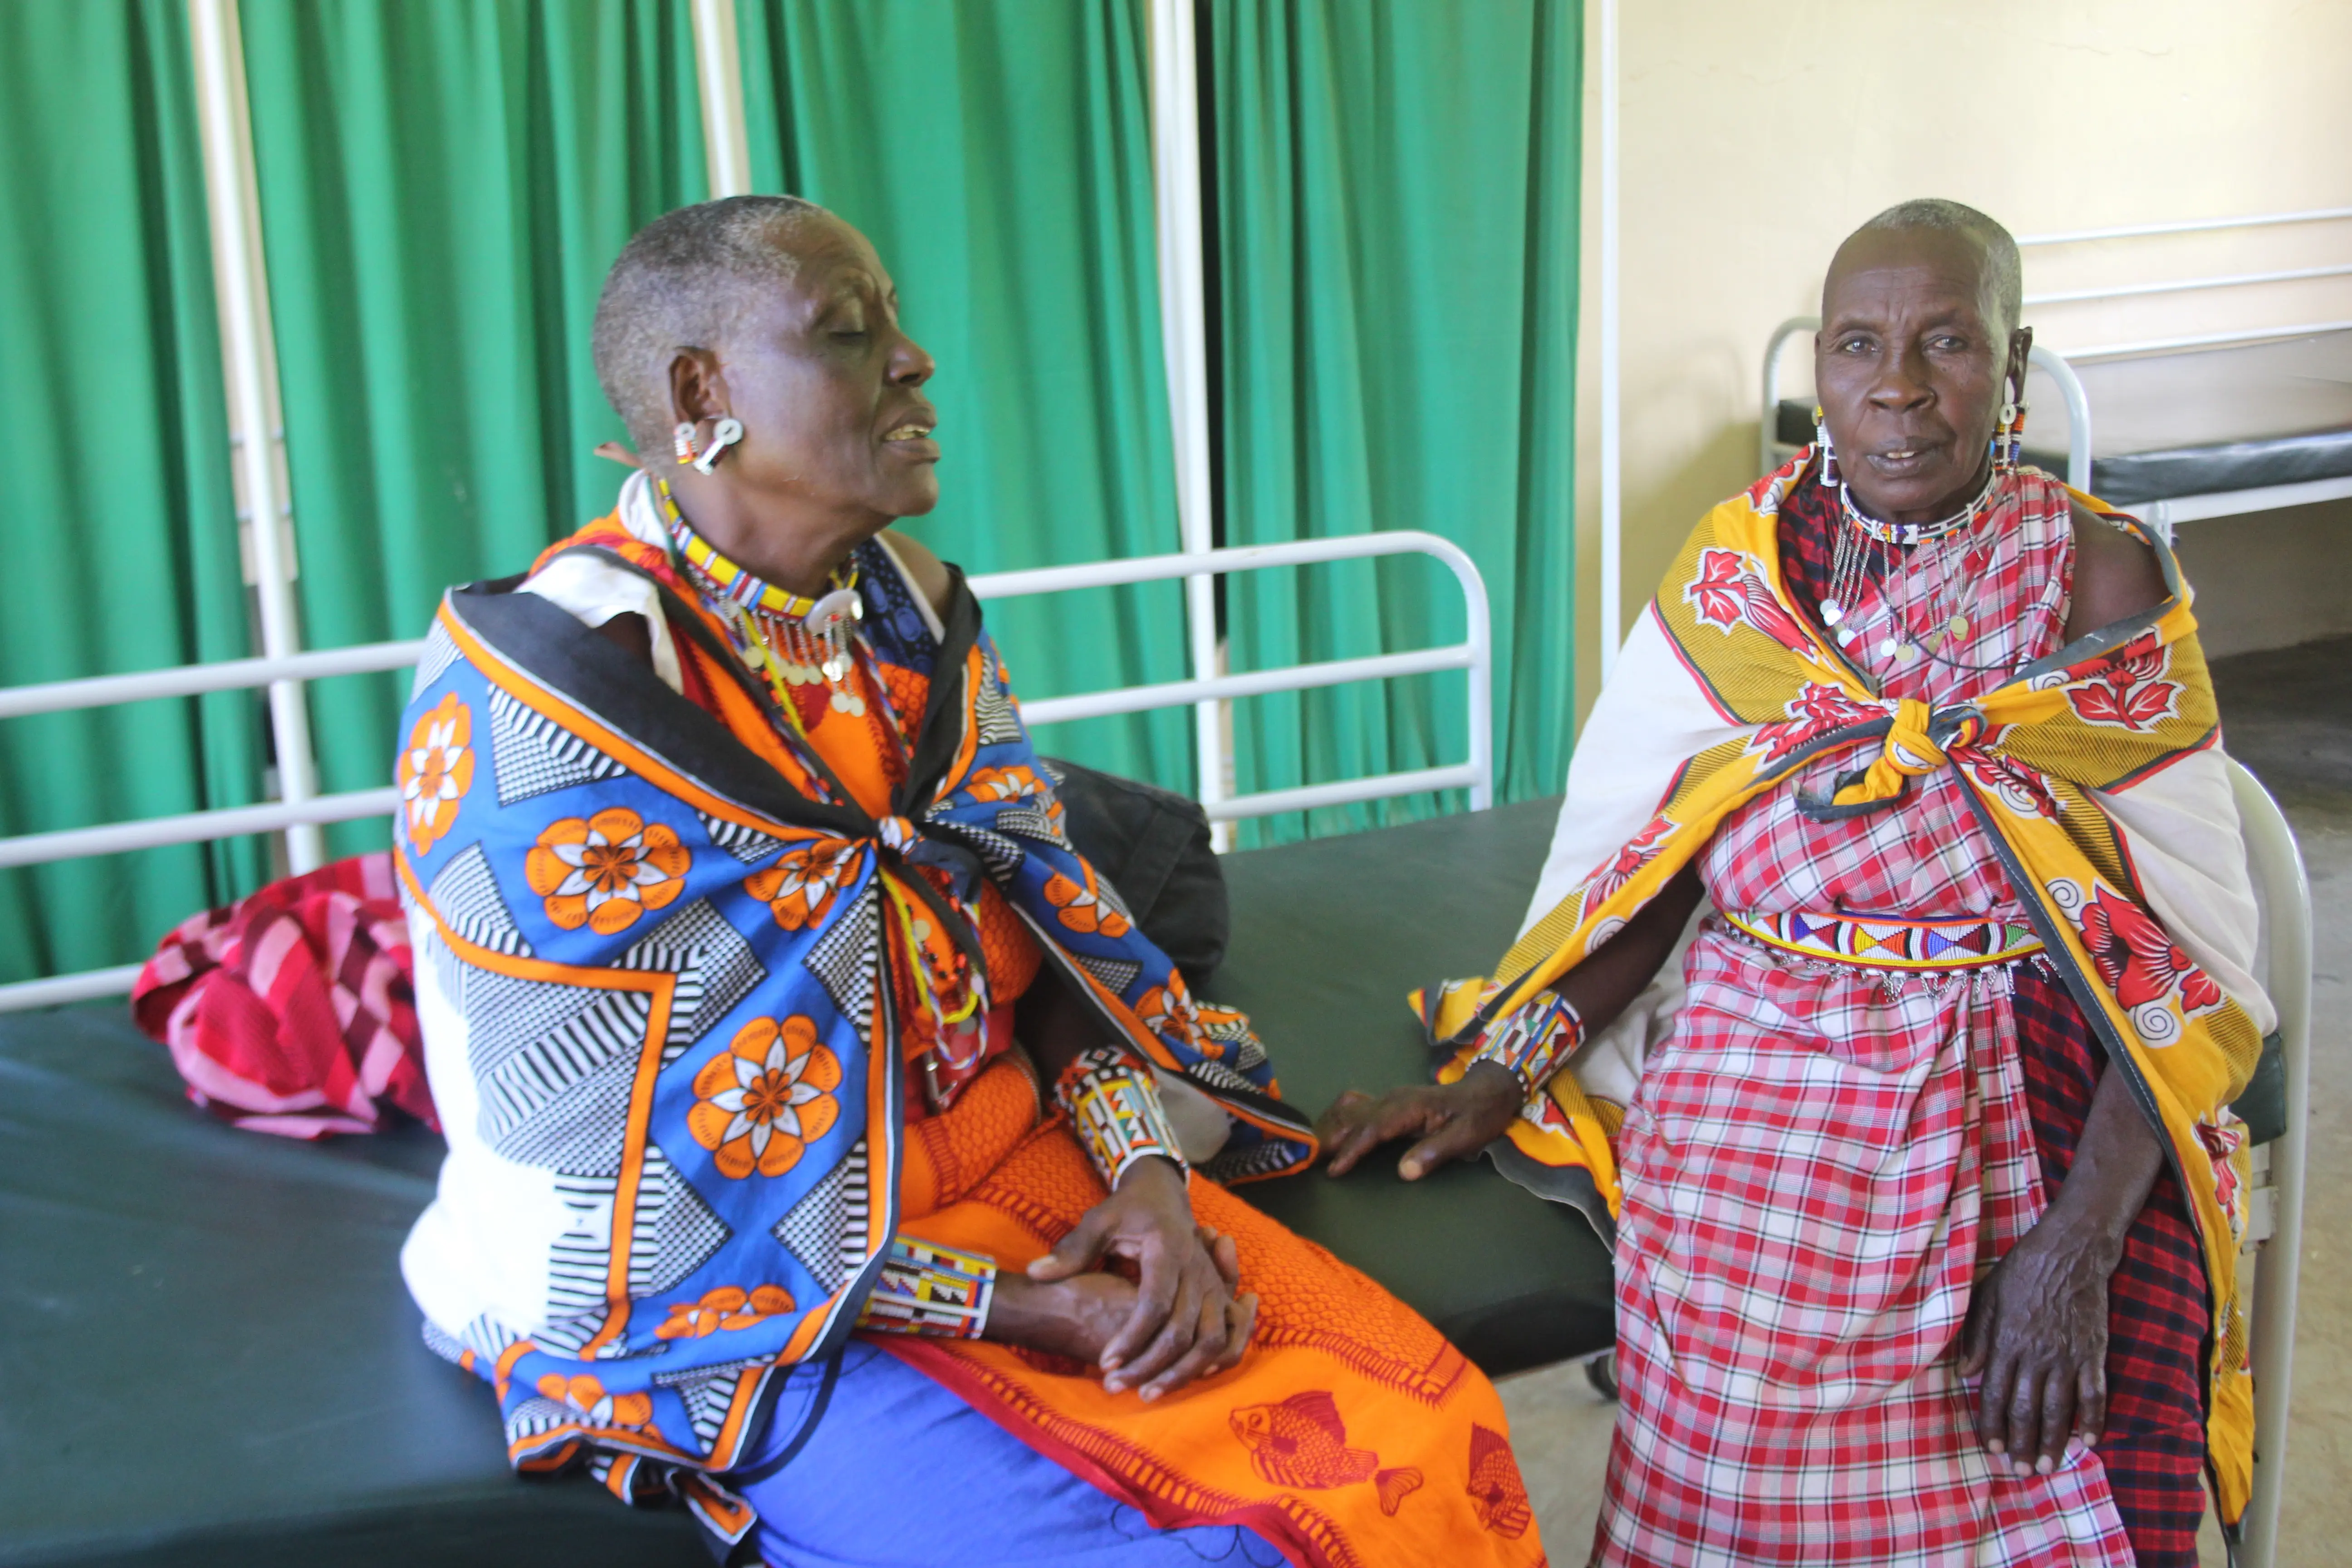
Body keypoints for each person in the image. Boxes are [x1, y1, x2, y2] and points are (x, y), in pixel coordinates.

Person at [392, 195, 1543, 1568]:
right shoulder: (553, 709)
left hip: (1028, 1165)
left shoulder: (911, 619)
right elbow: (629, 1201)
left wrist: (1152, 1185)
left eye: (896, 319)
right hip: (763, 1296)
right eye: (849, 329)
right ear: (704, 392)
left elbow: (1044, 938)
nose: (917, 358)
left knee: (1436, 1447)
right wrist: (1016, 1308)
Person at [1318, 199, 2274, 1567]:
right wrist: (1504, 1070)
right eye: (1856, 344)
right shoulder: (1744, 569)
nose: (1895, 385)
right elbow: (1650, 866)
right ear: (1817, 371)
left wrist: (2078, 1247)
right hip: (1753, 1053)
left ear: (2013, 368)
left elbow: (2179, 939)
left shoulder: (2098, 575)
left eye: (1946, 342)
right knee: (1731, 1323)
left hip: (2003, 1064)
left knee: (2061, 1394)